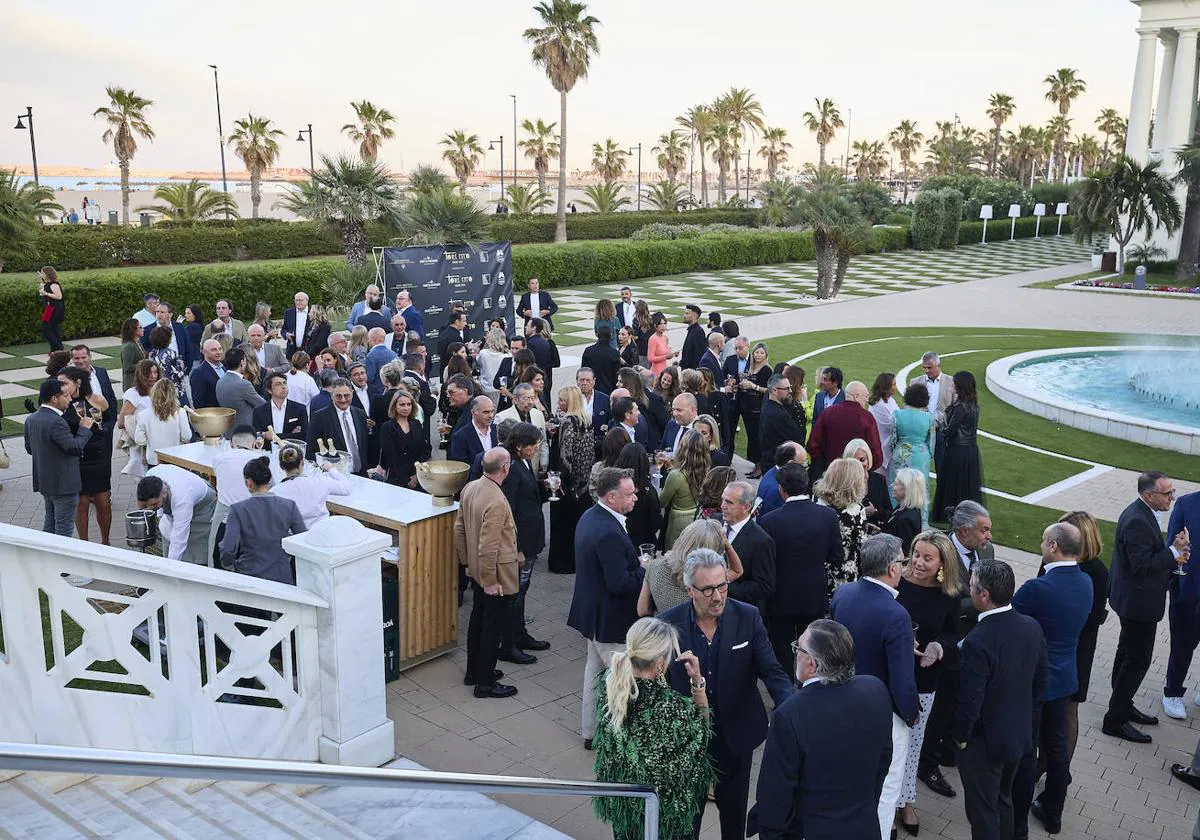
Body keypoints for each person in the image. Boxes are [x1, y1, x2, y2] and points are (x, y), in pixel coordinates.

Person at [658, 548, 793, 840]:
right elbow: (659, 683)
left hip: (736, 737)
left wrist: (794, 709)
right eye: (707, 590)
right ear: (690, 589)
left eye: (722, 586)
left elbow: (771, 670)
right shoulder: (669, 624)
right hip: (688, 740)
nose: (718, 596)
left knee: (734, 818)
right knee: (686, 821)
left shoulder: (748, 617)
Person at [747, 619, 894, 840]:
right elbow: (884, 759)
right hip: (864, 827)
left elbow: (776, 795)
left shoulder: (791, 714)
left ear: (812, 664)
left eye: (798, 648)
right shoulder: (876, 689)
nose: (795, 653)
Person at [830, 533, 920, 840]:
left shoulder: (844, 594)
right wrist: (911, 714)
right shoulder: (897, 615)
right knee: (885, 790)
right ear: (892, 569)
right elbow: (902, 681)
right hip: (882, 717)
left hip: (841, 704)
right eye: (903, 561)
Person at [593, 617, 713, 840]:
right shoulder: (672, 707)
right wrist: (698, 683)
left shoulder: (611, 689)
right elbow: (703, 733)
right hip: (664, 821)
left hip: (625, 810)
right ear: (659, 664)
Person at [953, 559, 1048, 840]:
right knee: (1002, 800)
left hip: (984, 743)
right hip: (1018, 736)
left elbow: (971, 700)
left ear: (984, 595)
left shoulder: (978, 641)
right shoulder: (1031, 626)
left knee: (982, 811)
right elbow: (1041, 681)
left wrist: (959, 737)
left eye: (971, 587)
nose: (969, 591)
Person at [1011, 521, 1093, 837]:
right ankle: (1053, 812)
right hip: (1065, 677)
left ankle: (1018, 813)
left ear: (1054, 546)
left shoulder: (1039, 588)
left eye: (1044, 542)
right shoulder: (1085, 582)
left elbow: (1010, 619)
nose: (1041, 547)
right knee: (1057, 747)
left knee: (1028, 747)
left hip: (1034, 678)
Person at [1104, 471, 1191, 743]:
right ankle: (1114, 719)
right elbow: (1142, 566)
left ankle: (1122, 704)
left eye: (1172, 491)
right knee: (1137, 660)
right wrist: (1174, 553)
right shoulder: (1137, 521)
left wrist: (1170, 554)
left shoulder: (1142, 512)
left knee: (1126, 652)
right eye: (1167, 493)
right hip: (1137, 603)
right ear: (1149, 495)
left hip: (1132, 599)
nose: (1172, 498)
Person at [568, 467, 645, 748]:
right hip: (611, 621)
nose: (635, 497)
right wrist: (644, 569)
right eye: (629, 493)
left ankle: (590, 732)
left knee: (595, 673)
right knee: (621, 683)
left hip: (593, 616)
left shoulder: (591, 516)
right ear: (611, 497)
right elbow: (620, 583)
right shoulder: (608, 531)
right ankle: (616, 739)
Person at [894, 529, 961, 836]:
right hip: (889, 673)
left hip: (923, 678)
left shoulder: (949, 594)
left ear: (942, 562)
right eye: (916, 554)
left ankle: (905, 801)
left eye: (927, 558)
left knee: (913, 743)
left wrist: (938, 648)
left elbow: (952, 633)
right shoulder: (896, 582)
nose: (919, 563)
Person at [759, 463, 843, 671]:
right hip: (814, 594)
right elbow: (837, 557)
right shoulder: (828, 516)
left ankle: (787, 689)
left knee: (782, 651)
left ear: (781, 488)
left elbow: (765, 562)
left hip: (781, 597)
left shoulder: (770, 520)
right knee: (812, 647)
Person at [454, 448, 522, 699]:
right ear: (504, 468)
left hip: (476, 569)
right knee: (492, 627)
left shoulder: (470, 488)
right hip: (495, 575)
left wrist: (467, 564)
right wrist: (490, 580)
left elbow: (459, 529)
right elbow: (489, 545)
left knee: (478, 619)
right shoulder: (495, 500)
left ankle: (474, 671)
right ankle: (484, 682)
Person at [497, 422, 550, 661]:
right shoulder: (511, 468)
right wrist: (516, 549)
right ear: (519, 447)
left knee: (522, 591)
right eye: (533, 444)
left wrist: (544, 488)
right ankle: (509, 645)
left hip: (531, 539)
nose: (536, 448)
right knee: (514, 595)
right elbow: (509, 511)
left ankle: (520, 635)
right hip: (521, 545)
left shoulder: (524, 462)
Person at [219, 456, 307, 585]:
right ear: (270, 479)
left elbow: (228, 547)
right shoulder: (289, 506)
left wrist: (230, 566)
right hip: (281, 576)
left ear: (248, 482)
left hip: (248, 575)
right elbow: (302, 539)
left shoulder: (238, 509)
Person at [25, 378, 93, 536]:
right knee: (63, 530)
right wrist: (84, 429)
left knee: (50, 524)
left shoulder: (31, 419)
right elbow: (74, 447)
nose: (70, 399)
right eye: (66, 396)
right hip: (64, 485)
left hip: (45, 482)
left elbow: (30, 449)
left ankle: (45, 558)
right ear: (54, 399)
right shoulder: (56, 422)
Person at [639, 518, 744, 616]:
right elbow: (737, 571)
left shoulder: (654, 567)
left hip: (664, 631)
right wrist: (727, 544)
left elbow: (642, 610)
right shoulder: (709, 580)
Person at [547, 385, 595, 574]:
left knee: (562, 526)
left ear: (570, 402)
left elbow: (565, 455)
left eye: (561, 400)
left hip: (568, 483)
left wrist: (562, 481)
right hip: (584, 482)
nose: (558, 404)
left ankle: (562, 563)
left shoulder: (568, 422)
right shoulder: (587, 420)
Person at [1164, 488, 1200, 720]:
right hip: (1188, 591)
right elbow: (1173, 544)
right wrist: (1176, 582)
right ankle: (1172, 693)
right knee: (1182, 645)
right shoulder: (1187, 504)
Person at [137, 464, 218, 566]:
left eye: (154, 504)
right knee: (167, 532)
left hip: (202, 505)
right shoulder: (149, 477)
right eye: (148, 505)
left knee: (195, 545)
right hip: (185, 492)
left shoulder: (182, 500)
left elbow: (179, 539)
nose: (152, 508)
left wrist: (171, 568)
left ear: (164, 493)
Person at [931, 371, 983, 522]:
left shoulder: (961, 407)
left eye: (954, 383)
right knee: (966, 484)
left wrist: (939, 424)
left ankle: (951, 513)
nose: (951, 385)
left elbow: (949, 431)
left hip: (957, 450)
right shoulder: (972, 404)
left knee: (953, 482)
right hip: (969, 449)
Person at [813, 457, 868, 597]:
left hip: (816, 568)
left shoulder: (815, 502)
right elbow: (861, 546)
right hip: (844, 575)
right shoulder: (856, 511)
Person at [807, 380, 882, 482]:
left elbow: (813, 445)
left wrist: (824, 465)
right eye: (865, 396)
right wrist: (863, 469)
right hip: (855, 477)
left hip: (829, 474)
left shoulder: (827, 413)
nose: (867, 400)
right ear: (856, 396)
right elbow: (875, 452)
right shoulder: (866, 417)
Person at [271, 443, 352, 528]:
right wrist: (331, 469)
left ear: (281, 466)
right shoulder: (320, 481)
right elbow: (347, 488)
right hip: (321, 533)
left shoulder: (275, 492)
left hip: (292, 538)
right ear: (302, 462)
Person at [889, 381, 934, 516]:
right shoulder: (929, 417)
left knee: (898, 484)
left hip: (902, 452)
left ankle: (895, 513)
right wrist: (928, 454)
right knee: (919, 487)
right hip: (921, 455)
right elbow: (931, 442)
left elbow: (893, 439)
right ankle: (921, 519)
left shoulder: (897, 414)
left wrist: (896, 450)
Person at [659, 431, 710, 549]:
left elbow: (662, 502)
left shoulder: (676, 475)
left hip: (678, 524)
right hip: (697, 519)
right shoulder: (705, 470)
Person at [371, 390, 430, 489]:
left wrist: (417, 476)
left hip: (417, 477)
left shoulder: (416, 424)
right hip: (396, 480)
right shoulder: (387, 427)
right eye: (402, 405)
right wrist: (406, 480)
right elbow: (390, 456)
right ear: (395, 406)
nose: (406, 408)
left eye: (409, 404)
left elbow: (425, 450)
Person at [117, 359, 161, 477]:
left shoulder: (160, 392)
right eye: (149, 373)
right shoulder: (133, 394)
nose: (153, 377)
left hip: (160, 441)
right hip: (141, 445)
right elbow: (121, 422)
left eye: (155, 373)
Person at [134, 378, 193, 466]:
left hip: (154, 460)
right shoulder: (180, 412)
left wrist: (152, 441)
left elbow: (139, 440)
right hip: (177, 459)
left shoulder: (143, 415)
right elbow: (186, 436)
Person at [909, 351, 955, 461]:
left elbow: (954, 408)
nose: (926, 371)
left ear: (938, 365)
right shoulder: (915, 382)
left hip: (941, 431)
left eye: (929, 368)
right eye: (924, 368)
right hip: (920, 432)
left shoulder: (951, 382)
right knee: (917, 465)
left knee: (942, 467)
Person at [758, 373, 805, 472]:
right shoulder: (778, 415)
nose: (790, 391)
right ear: (774, 390)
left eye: (790, 387)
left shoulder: (768, 406)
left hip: (769, 462)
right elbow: (798, 438)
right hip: (777, 467)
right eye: (786, 389)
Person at [739, 343, 773, 475]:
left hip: (759, 409)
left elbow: (770, 390)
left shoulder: (767, 370)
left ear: (766, 355)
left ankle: (759, 467)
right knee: (751, 438)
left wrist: (754, 386)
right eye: (756, 352)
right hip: (748, 409)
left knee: (758, 438)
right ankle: (755, 465)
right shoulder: (750, 367)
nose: (758, 355)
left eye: (761, 353)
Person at [845, 437, 893, 527]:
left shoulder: (879, 480)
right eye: (854, 461)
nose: (859, 464)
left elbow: (889, 512)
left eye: (862, 460)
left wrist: (875, 512)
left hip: (875, 532)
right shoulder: (843, 481)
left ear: (868, 459)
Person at [215, 347, 266, 429]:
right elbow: (262, 404)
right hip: (245, 431)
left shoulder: (220, 381)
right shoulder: (244, 384)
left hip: (227, 429)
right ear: (242, 362)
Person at [251, 372, 308, 443]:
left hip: (291, 450)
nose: (283, 386)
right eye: (278, 384)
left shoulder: (300, 409)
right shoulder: (259, 411)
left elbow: (303, 436)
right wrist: (290, 435)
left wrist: (271, 436)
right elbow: (256, 436)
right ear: (269, 390)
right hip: (268, 452)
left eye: (285, 383)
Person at [756, 442, 808, 516]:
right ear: (791, 463)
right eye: (803, 463)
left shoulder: (774, 473)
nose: (805, 466)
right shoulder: (778, 488)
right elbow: (777, 520)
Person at [141, 301, 197, 370]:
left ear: (170, 314)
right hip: (157, 373)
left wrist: (186, 369)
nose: (159, 315)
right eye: (157, 312)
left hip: (180, 372)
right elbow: (144, 351)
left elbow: (188, 348)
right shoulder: (148, 330)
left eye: (162, 312)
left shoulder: (179, 327)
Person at [720, 337, 751, 457]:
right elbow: (721, 377)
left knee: (751, 431)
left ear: (748, 346)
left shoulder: (754, 360)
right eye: (736, 348)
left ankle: (754, 460)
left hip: (749, 402)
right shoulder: (730, 360)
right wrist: (727, 382)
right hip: (732, 400)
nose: (738, 351)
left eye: (741, 348)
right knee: (730, 430)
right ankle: (728, 456)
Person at [885, 468, 927, 555]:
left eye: (896, 484)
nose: (892, 486)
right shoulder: (903, 508)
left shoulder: (906, 519)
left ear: (907, 489)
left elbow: (904, 552)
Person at [449, 395, 498, 468]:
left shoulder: (496, 430)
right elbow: (461, 467)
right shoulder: (460, 436)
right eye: (486, 412)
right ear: (473, 412)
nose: (490, 415)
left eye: (492, 411)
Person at [147, 326, 189, 406]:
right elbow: (179, 374)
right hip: (173, 391)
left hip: (158, 390)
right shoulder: (172, 354)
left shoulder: (152, 354)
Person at [869, 372, 899, 475]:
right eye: (894, 384)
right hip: (881, 449)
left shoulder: (890, 400)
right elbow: (895, 425)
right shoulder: (879, 406)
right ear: (886, 387)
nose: (896, 387)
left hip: (888, 447)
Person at [582, 326, 621, 395]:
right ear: (611, 335)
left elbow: (583, 371)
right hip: (609, 390)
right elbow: (616, 375)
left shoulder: (588, 351)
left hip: (591, 389)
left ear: (597, 335)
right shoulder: (614, 353)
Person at [189, 339, 226, 409]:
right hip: (213, 415)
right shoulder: (198, 373)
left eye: (220, 349)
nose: (219, 352)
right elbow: (198, 402)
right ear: (204, 352)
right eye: (214, 350)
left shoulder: (225, 367)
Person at [38, 266, 65, 351]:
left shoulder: (54, 284)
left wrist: (46, 293)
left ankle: (58, 348)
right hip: (49, 308)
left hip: (55, 308)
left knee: (49, 328)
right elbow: (41, 293)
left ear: (47, 274)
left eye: (43, 273)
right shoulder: (46, 284)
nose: (41, 274)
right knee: (50, 328)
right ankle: (55, 348)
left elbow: (59, 296)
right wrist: (42, 282)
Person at [647, 312, 677, 377]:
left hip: (665, 370)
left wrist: (673, 354)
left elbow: (668, 354)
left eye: (664, 323)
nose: (663, 326)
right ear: (655, 325)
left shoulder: (665, 337)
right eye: (660, 324)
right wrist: (665, 357)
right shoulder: (653, 339)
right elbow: (650, 358)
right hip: (656, 372)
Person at [679, 304, 706, 370]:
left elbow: (698, 355)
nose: (684, 316)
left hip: (691, 373)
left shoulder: (698, 332)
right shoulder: (692, 330)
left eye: (687, 313)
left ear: (694, 316)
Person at [120, 318, 146, 386]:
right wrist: (143, 364)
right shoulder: (128, 346)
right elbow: (127, 367)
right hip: (131, 383)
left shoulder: (138, 342)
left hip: (140, 382)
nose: (143, 329)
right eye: (140, 327)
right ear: (133, 330)